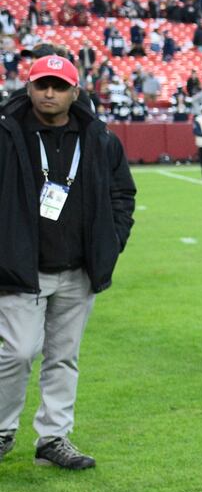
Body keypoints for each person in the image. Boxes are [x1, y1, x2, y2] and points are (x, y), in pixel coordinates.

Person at [0, 52, 136, 470]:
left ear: (75, 92)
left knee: (64, 356)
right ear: (29, 87)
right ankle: (3, 430)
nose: (50, 93)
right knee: (18, 352)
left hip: (78, 269)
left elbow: (122, 194)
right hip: (20, 269)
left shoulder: (99, 138)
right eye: (42, 84)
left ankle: (53, 438)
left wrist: (111, 243)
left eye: (59, 86)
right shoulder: (7, 134)